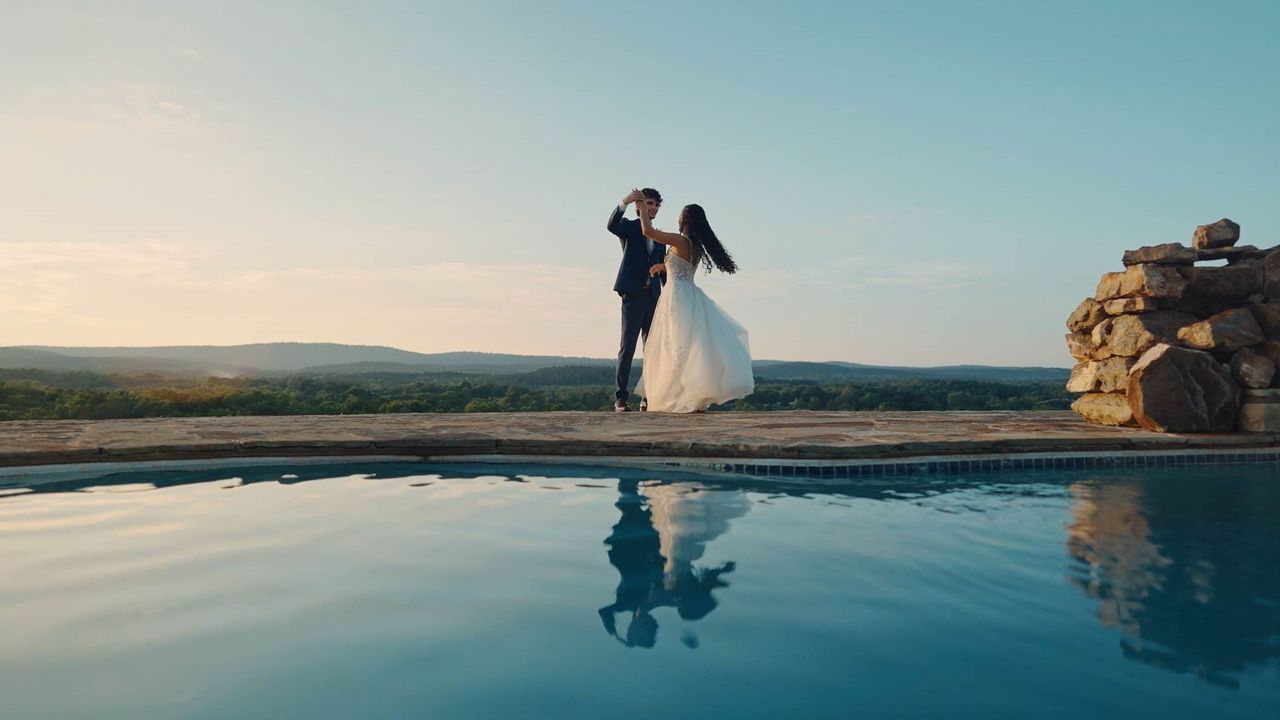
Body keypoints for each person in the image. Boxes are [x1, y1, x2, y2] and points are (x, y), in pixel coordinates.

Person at [633, 198, 754, 412]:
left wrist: (642, 207)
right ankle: (688, 394)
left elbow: (648, 232)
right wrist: (662, 267)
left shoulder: (681, 241)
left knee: (675, 346)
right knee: (686, 346)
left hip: (676, 297)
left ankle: (677, 396)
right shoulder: (694, 245)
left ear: (685, 219)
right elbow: (682, 268)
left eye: (680, 214)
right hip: (688, 294)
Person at [606, 188, 667, 412]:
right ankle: (620, 398)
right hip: (632, 295)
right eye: (649, 203)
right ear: (639, 205)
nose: (652, 208)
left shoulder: (660, 238)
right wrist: (625, 201)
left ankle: (648, 397)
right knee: (627, 347)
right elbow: (611, 225)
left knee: (651, 349)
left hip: (654, 297)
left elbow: (665, 272)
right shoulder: (630, 228)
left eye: (656, 206)